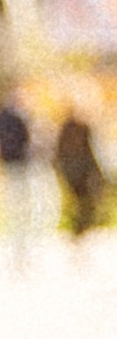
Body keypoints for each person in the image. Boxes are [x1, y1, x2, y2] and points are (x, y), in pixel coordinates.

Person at [0, 91, 47, 267]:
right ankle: (21, 253)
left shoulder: (5, 117)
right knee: (22, 211)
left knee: (23, 211)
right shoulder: (13, 118)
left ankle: (23, 253)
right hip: (18, 167)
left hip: (17, 167)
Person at [53, 99, 106, 244]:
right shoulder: (67, 129)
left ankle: (80, 230)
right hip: (74, 171)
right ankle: (78, 230)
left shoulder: (83, 128)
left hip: (82, 171)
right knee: (79, 202)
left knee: (86, 202)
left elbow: (90, 151)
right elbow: (59, 151)